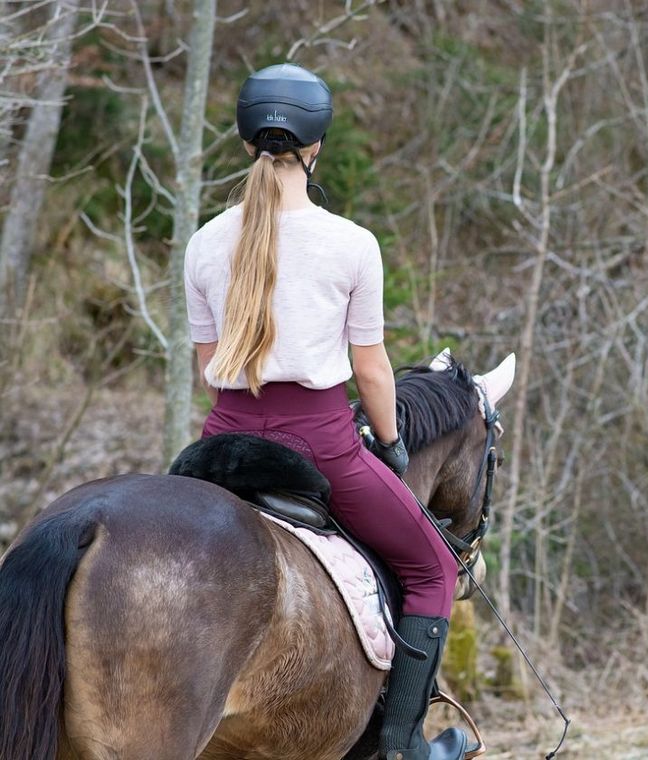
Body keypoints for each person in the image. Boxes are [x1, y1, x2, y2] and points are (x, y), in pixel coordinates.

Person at [183, 63, 472, 760]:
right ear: (315, 146)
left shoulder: (204, 243)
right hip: (319, 442)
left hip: (221, 442)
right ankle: (403, 745)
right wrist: (395, 443)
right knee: (434, 567)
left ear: (248, 140)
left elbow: (206, 367)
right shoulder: (350, 244)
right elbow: (372, 370)